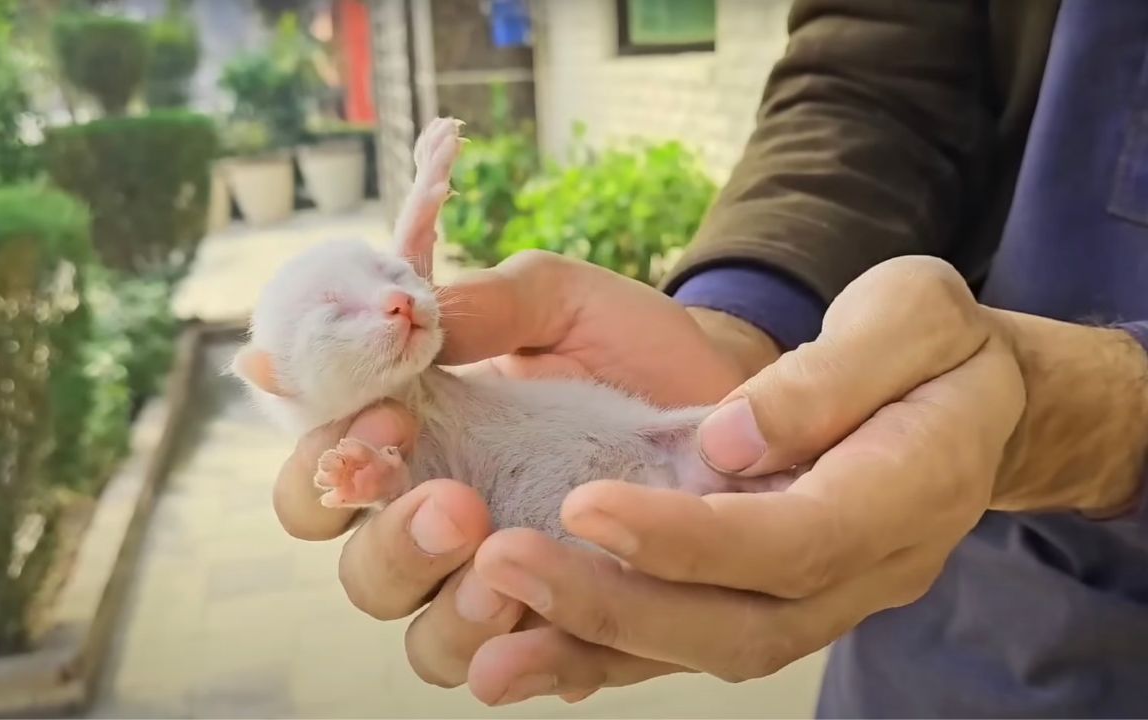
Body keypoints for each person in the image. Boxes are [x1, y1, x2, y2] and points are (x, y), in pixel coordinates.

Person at [270, 0, 1148, 715]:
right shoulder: (383, 404)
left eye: (390, 277)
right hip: (935, 638)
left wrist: (1099, 416)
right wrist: (741, 323)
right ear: (278, 382)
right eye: (339, 316)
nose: (393, 300)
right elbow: (875, 80)